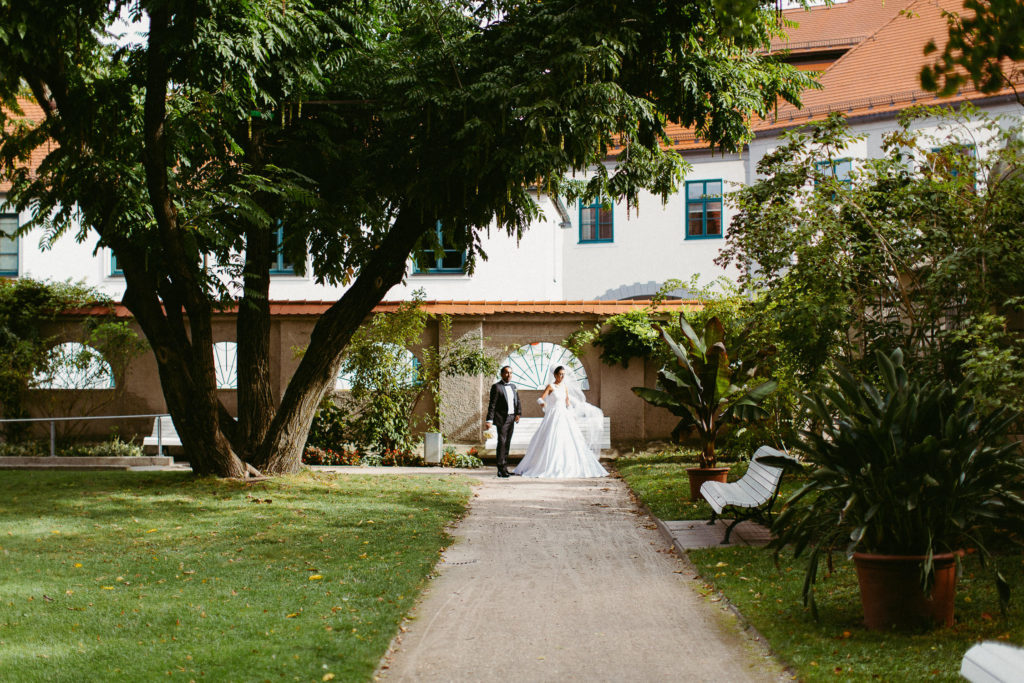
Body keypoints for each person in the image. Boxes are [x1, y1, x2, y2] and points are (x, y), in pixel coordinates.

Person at [513, 366, 608, 479]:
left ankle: (567, 465)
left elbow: (567, 402)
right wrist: (544, 404)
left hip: (564, 415)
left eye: (563, 374)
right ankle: (547, 465)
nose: (562, 376)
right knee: (551, 437)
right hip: (553, 414)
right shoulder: (551, 386)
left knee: (569, 438)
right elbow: (540, 398)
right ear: (555, 375)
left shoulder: (564, 387)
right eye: (560, 374)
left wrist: (573, 411)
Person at [485, 365, 521, 478]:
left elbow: (517, 400)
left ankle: (505, 468)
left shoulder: (513, 386)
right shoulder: (496, 387)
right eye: (506, 372)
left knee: (507, 443)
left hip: (511, 418)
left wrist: (518, 413)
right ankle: (500, 469)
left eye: (510, 373)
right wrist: (489, 420)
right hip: (502, 419)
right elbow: (492, 405)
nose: (509, 375)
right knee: (502, 443)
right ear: (501, 374)